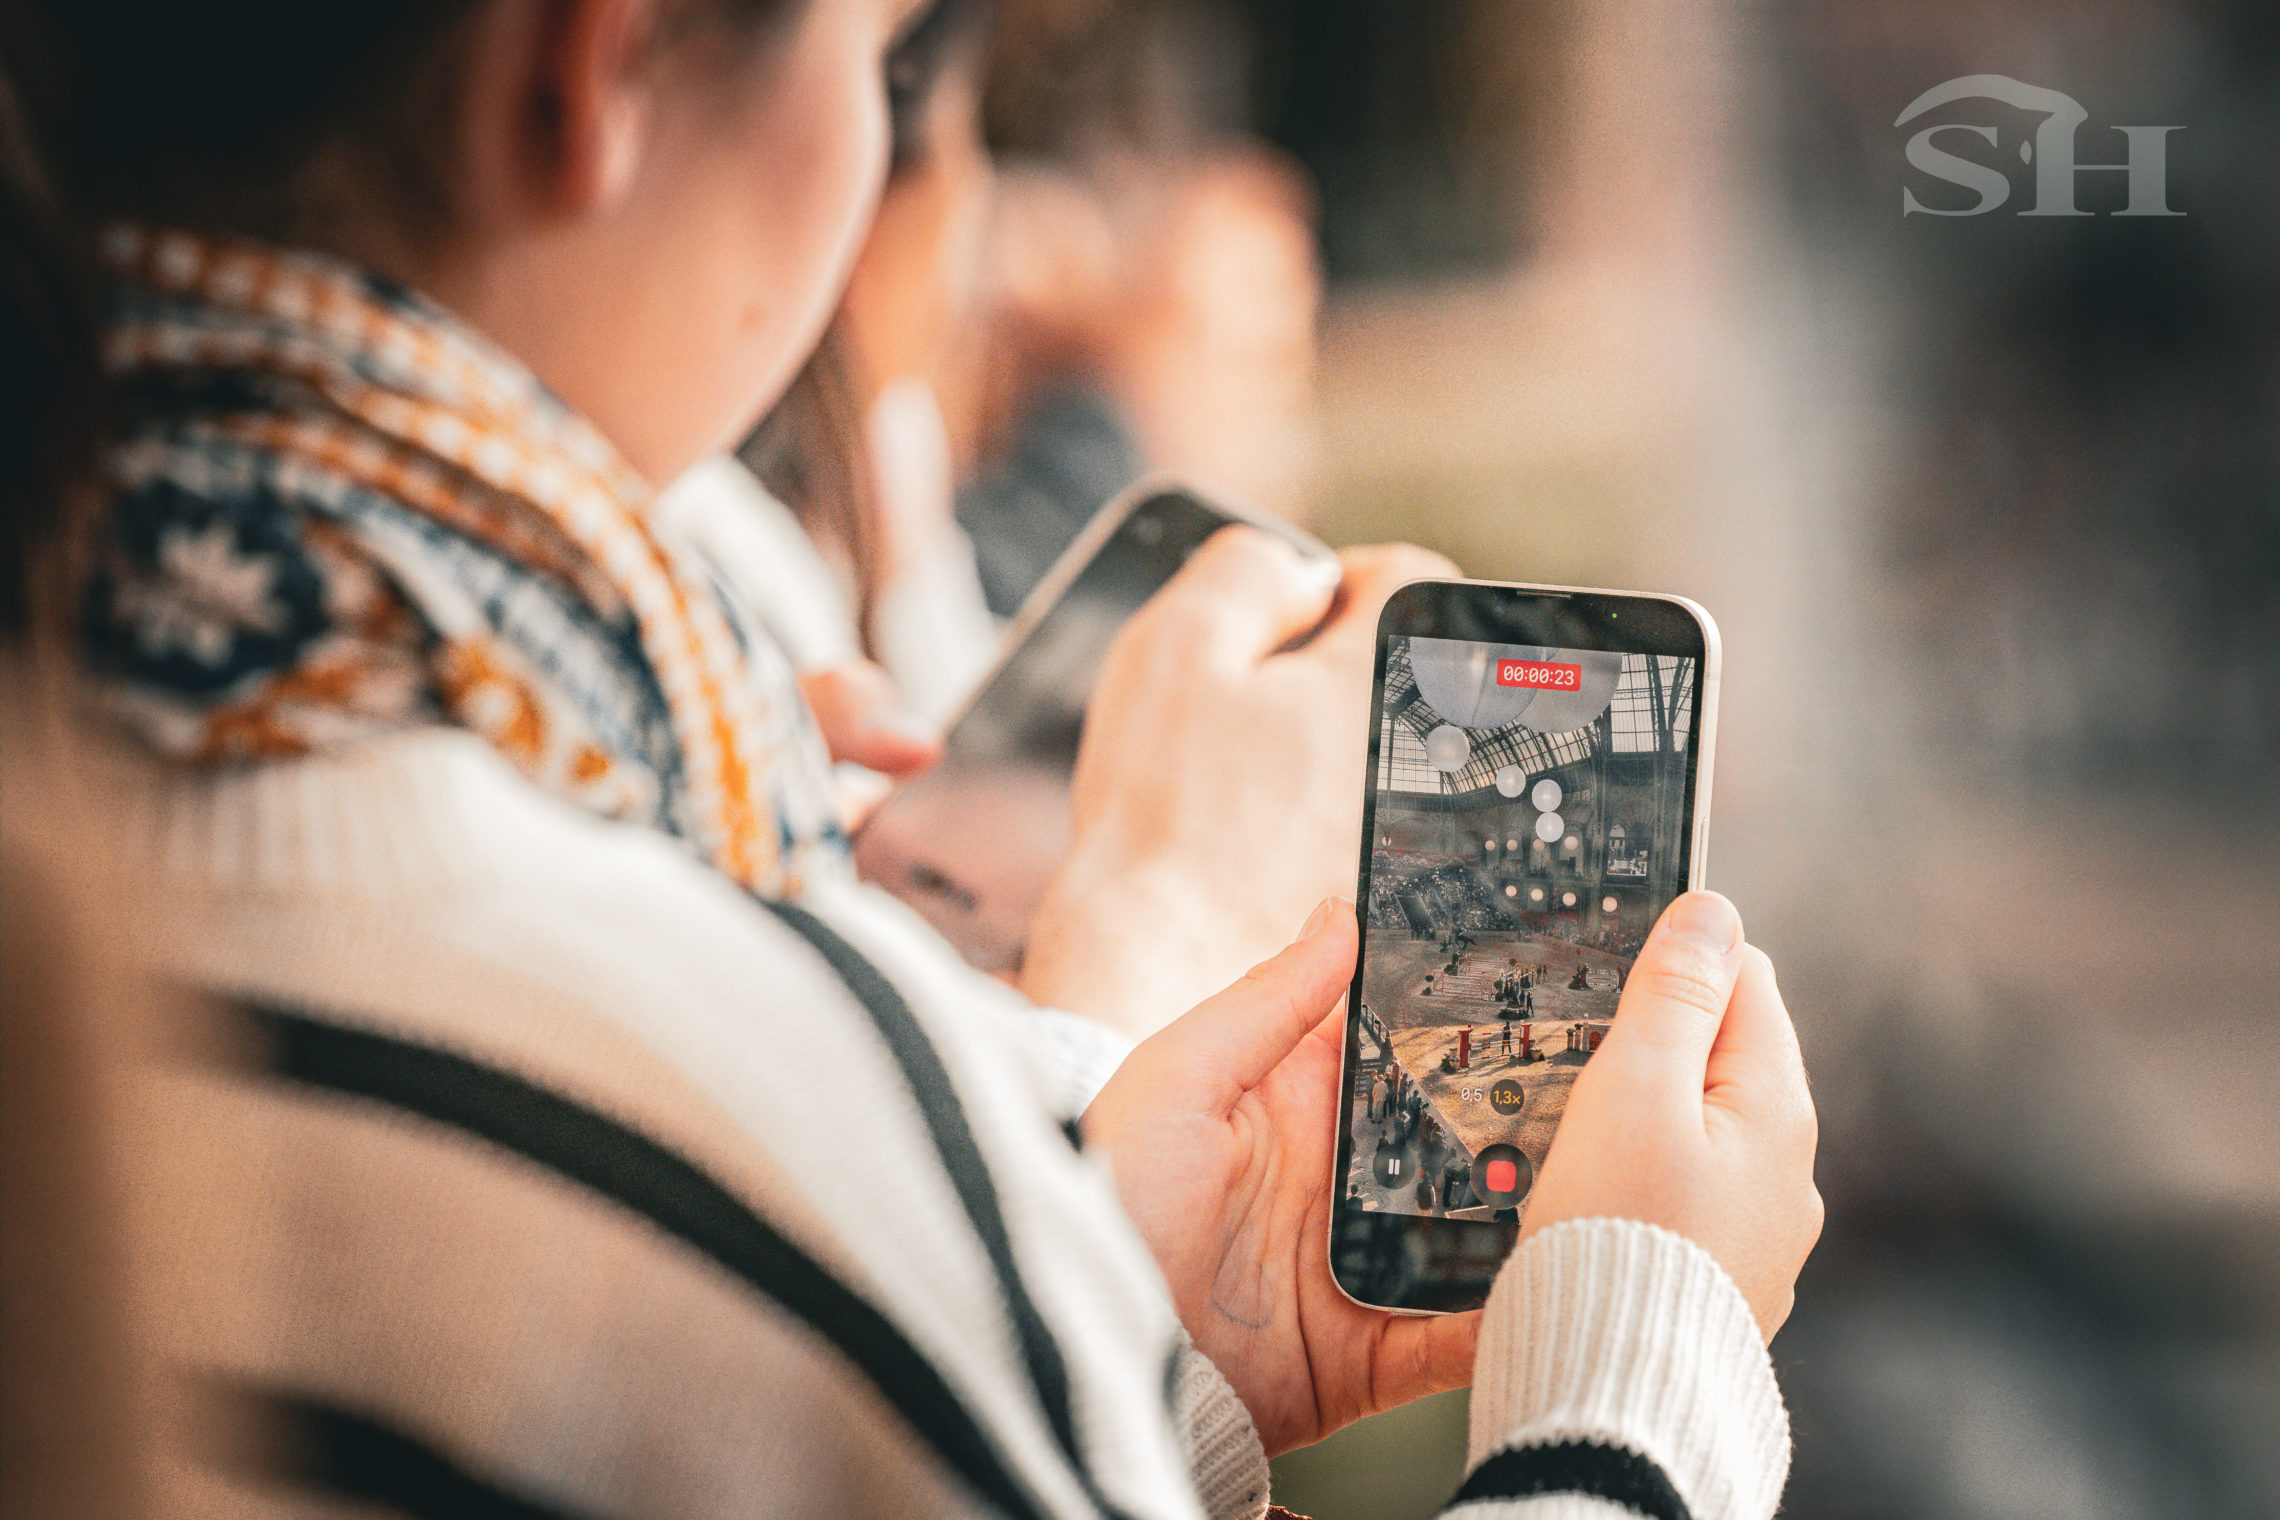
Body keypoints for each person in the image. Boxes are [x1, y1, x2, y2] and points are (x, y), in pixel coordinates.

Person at [1, 4, 1823, 1520]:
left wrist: (1106, 1346)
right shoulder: (717, 1108)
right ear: (599, 67)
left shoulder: (81, 754)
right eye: (868, 53)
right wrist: (1635, 1399)